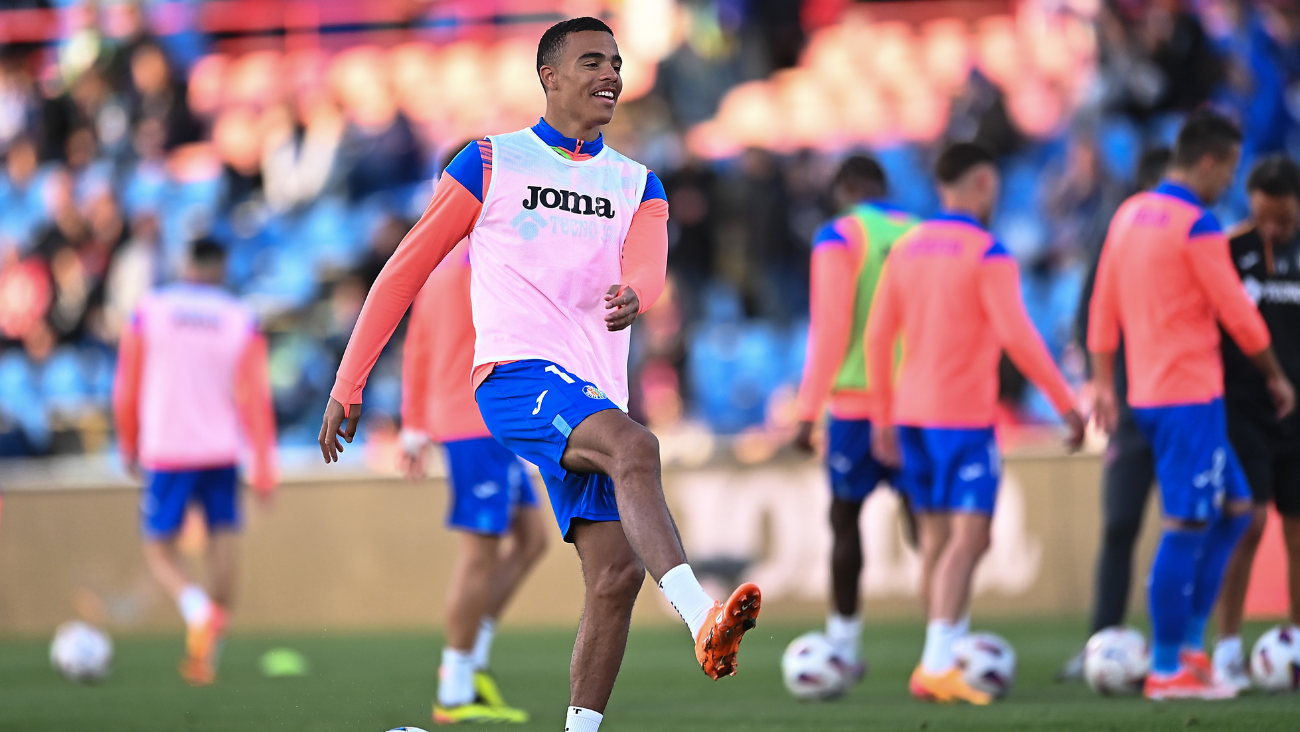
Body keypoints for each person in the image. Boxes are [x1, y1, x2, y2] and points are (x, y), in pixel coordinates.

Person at [317, 18, 761, 732]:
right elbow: (404, 270)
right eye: (591, 61)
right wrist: (350, 380)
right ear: (548, 76)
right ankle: (702, 616)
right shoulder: (490, 162)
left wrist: (637, 294)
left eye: (616, 62)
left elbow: (649, 263)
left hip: (592, 395)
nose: (609, 73)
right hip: (516, 379)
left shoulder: (638, 182)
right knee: (637, 448)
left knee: (614, 578)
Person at [866, 142, 1086, 705]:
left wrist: (882, 413)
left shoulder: (908, 248)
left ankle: (944, 653)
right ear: (984, 182)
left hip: (911, 415)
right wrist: (1064, 402)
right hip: (961, 418)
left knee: (938, 542)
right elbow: (1018, 336)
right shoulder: (987, 251)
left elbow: (877, 335)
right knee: (973, 537)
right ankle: (939, 662)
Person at [1088, 112, 1296, 701]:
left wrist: (1104, 381)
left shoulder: (1129, 214)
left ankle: (1190, 649)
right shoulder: (1195, 224)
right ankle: (1167, 666)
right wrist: (1277, 376)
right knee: (1187, 522)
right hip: (1189, 395)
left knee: (1234, 505)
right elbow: (1237, 313)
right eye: (1227, 171)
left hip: (1147, 395)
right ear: (1207, 162)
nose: (1227, 184)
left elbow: (1103, 304)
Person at [113, 238, 277, 685]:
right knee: (223, 541)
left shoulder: (151, 310)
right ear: (221, 265)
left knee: (159, 548)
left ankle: (197, 610)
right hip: (221, 448)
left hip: (167, 447)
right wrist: (264, 467)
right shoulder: (240, 318)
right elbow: (257, 399)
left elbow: (127, 383)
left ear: (187, 263)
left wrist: (128, 441)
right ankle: (208, 651)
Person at [400, 238, 548, 723]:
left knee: (531, 539)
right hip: (477, 422)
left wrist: (415, 425)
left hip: (476, 423)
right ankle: (455, 687)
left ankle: (473, 657)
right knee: (479, 552)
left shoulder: (439, 268)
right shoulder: (488, 259)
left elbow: (417, 347)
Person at [791, 154, 917, 678]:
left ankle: (843, 646)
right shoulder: (921, 233)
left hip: (855, 404)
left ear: (845, 188)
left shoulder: (840, 235)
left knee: (845, 520)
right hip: (916, 402)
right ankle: (946, 640)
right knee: (928, 525)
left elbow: (832, 326)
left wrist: (806, 411)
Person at [1057, 147, 1171, 682]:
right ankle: (1100, 642)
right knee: (1120, 526)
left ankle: (1190, 648)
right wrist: (1099, 384)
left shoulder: (1197, 237)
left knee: (1191, 527)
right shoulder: (1119, 243)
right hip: (1130, 408)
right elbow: (1089, 316)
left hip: (1185, 406)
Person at [1212, 155, 1300, 689]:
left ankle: (1295, 639)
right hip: (1242, 408)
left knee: (1296, 532)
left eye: (1282, 220)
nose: (1271, 229)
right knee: (1249, 523)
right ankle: (1226, 648)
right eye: (1263, 218)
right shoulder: (1226, 251)